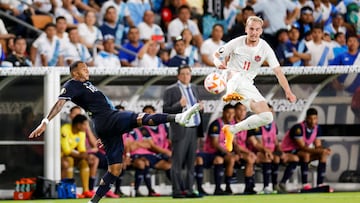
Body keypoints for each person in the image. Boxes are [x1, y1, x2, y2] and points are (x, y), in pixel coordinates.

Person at [28, 61, 201, 203]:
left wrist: (104, 135)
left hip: (106, 125)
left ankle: (93, 202)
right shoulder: (71, 84)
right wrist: (45, 122)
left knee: (115, 169)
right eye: (83, 69)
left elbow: (95, 107)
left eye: (87, 68)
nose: (87, 70)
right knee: (140, 117)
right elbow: (60, 103)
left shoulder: (86, 84)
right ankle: (178, 117)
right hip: (108, 118)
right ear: (75, 73)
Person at [212, 16, 296, 151]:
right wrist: (219, 64)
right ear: (246, 29)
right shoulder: (236, 43)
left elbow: (279, 72)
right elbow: (216, 55)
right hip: (229, 76)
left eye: (257, 29)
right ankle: (229, 93)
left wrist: (288, 91)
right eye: (251, 29)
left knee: (267, 116)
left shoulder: (265, 48)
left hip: (247, 86)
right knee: (236, 74)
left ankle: (232, 129)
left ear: (261, 31)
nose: (254, 32)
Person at [163, 64, 203, 198]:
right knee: (177, 162)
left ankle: (190, 190)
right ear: (178, 75)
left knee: (191, 162)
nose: (186, 76)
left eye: (188, 73)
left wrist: (200, 107)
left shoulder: (195, 88)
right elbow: (165, 110)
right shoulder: (171, 90)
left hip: (194, 128)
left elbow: (196, 105)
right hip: (180, 129)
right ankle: (177, 191)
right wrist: (178, 105)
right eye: (183, 74)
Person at [247, 104, 299, 194]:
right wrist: (267, 151)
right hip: (259, 152)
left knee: (294, 158)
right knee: (270, 157)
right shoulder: (256, 125)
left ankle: (280, 184)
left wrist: (281, 152)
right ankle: (266, 186)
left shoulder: (273, 125)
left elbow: (276, 143)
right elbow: (257, 144)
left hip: (272, 152)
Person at [281, 108, 331, 190]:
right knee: (306, 155)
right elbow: (302, 147)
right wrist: (320, 150)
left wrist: (324, 149)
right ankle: (305, 184)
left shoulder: (317, 128)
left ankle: (320, 184)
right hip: (289, 151)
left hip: (301, 152)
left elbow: (318, 145)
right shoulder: (298, 128)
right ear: (306, 118)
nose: (312, 121)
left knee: (323, 154)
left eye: (315, 119)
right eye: (310, 119)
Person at [196, 104, 237, 195]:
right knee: (213, 160)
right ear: (223, 113)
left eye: (232, 113)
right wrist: (227, 153)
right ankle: (201, 188)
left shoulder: (232, 125)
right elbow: (215, 144)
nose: (230, 115)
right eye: (228, 113)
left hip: (222, 153)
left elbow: (234, 142)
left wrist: (237, 153)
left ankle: (227, 187)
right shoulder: (216, 124)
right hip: (210, 152)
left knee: (230, 159)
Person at [60, 114, 93, 198]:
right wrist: (82, 155)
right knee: (69, 161)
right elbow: (66, 150)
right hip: (59, 156)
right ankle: (69, 190)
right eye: (85, 124)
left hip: (72, 155)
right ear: (78, 125)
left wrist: (85, 156)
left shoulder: (81, 133)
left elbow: (82, 149)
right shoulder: (65, 129)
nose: (86, 127)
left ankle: (86, 191)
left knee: (84, 162)